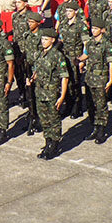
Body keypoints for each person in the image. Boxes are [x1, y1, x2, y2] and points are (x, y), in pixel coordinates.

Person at [32, 28, 69, 160]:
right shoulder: (40, 53)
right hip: (40, 91)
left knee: (54, 119)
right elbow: (37, 69)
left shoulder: (57, 56)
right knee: (44, 119)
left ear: (53, 41)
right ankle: (47, 142)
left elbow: (64, 77)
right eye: (42, 39)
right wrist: (32, 77)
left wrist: (62, 96)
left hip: (51, 92)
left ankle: (54, 144)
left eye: (46, 39)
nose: (43, 41)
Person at [78, 18, 112, 144]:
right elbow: (86, 55)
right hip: (89, 78)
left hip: (101, 78)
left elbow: (111, 62)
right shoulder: (90, 42)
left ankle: (101, 130)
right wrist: (79, 61)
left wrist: (110, 79)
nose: (93, 31)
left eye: (96, 29)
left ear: (102, 30)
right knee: (90, 104)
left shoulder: (107, 44)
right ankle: (94, 127)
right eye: (92, 28)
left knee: (101, 105)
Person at [58, 0, 90, 118]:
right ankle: (68, 105)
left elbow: (86, 43)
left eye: (70, 11)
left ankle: (77, 107)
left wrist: (82, 60)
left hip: (75, 57)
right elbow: (61, 39)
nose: (68, 13)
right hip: (65, 57)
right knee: (66, 81)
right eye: (67, 11)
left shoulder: (81, 26)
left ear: (76, 12)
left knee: (76, 82)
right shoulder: (64, 24)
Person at [23, 11, 44, 134]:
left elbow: (42, 55)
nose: (29, 24)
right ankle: (33, 116)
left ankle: (41, 119)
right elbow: (26, 52)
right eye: (28, 21)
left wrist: (36, 71)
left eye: (32, 22)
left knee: (39, 94)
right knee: (31, 95)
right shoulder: (27, 35)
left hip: (39, 69)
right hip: (29, 67)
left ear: (38, 23)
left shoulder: (42, 36)